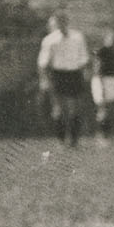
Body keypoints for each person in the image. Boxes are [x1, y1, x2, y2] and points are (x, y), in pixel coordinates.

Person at [37, 13, 91, 146]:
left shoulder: (78, 37)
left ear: (67, 22)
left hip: (74, 74)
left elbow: (84, 58)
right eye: (57, 22)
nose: (60, 24)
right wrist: (44, 80)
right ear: (54, 24)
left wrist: (85, 73)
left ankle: (73, 140)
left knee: (75, 108)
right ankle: (61, 139)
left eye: (63, 21)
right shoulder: (50, 40)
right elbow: (43, 63)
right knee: (58, 108)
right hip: (58, 75)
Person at [92, 26, 114, 138]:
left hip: (112, 80)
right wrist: (101, 84)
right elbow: (97, 68)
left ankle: (106, 134)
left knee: (110, 108)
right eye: (111, 37)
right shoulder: (101, 51)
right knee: (102, 107)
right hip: (101, 79)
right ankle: (101, 134)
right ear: (106, 38)